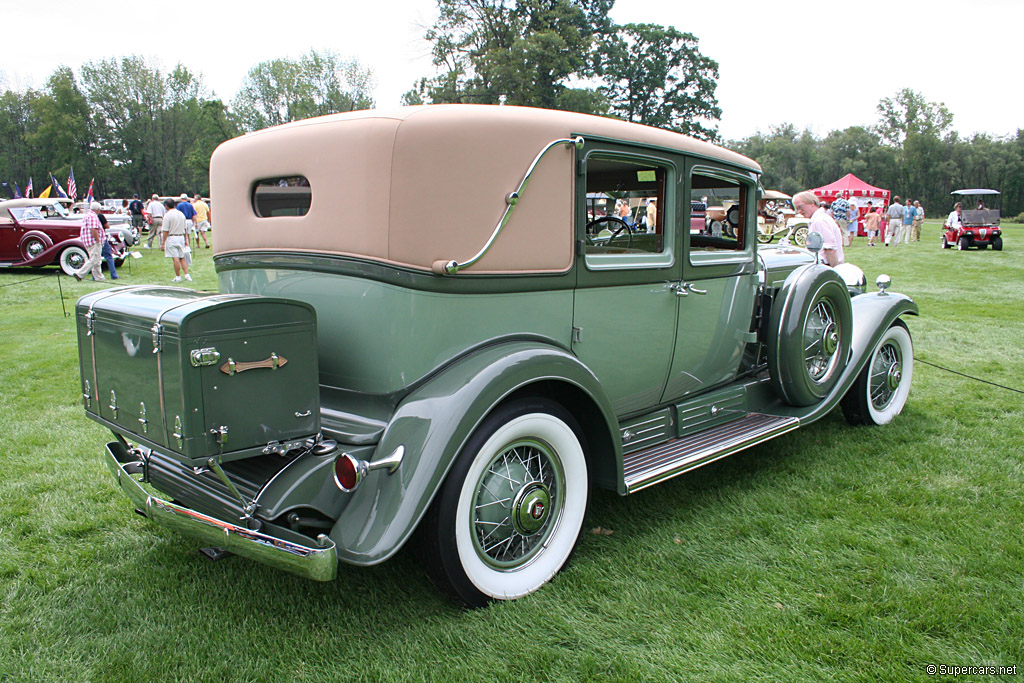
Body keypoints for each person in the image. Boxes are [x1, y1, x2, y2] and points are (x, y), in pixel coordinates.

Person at [792, 190, 844, 266]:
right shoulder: (820, 219)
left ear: (812, 203)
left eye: (801, 207)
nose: (799, 211)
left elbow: (830, 249)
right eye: (797, 209)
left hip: (825, 265)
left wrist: (833, 271)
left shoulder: (819, 221)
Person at [72, 202, 106, 281]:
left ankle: (99, 277)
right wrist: (97, 240)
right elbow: (93, 229)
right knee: (94, 259)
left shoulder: (87, 215)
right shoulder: (93, 216)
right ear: (97, 209)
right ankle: (80, 274)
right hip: (93, 241)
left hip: (88, 241)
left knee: (97, 260)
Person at [160, 198, 191, 282]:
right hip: (181, 237)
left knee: (175, 258)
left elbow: (165, 230)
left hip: (172, 237)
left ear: (166, 206)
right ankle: (187, 275)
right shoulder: (181, 214)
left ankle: (178, 276)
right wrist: (186, 240)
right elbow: (185, 229)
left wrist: (163, 243)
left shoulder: (167, 215)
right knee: (182, 257)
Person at [98, 213, 120, 280]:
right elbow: (107, 226)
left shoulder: (89, 216)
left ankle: (96, 275)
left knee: (95, 258)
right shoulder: (100, 216)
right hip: (102, 238)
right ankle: (114, 275)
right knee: (108, 257)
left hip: (93, 240)